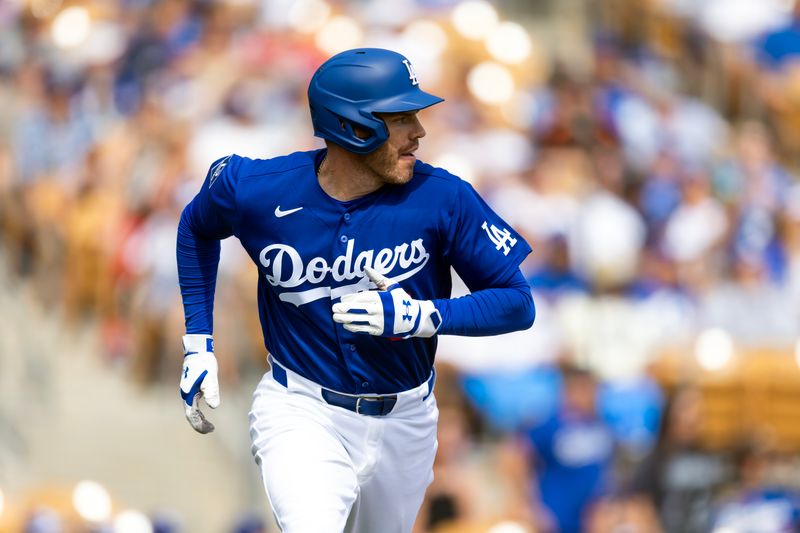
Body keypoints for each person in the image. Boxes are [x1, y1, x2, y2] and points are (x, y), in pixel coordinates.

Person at [175, 48, 535, 533]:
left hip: (406, 419)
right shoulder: (256, 187)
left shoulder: (443, 196)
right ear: (353, 126)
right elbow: (195, 226)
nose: (419, 132)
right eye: (401, 117)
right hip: (300, 407)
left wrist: (422, 317)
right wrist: (198, 341)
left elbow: (518, 302)